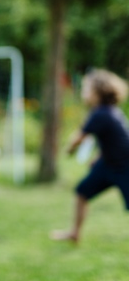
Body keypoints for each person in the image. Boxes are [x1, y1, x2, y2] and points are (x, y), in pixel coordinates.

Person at [51, 68, 129, 243]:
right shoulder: (108, 112)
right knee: (82, 191)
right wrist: (99, 158)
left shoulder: (102, 113)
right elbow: (111, 140)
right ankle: (75, 234)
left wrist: (68, 150)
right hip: (108, 164)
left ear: (99, 92)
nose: (83, 92)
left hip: (125, 166)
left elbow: (79, 137)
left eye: (87, 89)